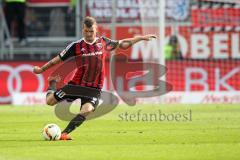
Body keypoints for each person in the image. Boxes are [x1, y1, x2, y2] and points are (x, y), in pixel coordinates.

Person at [33, 16, 156, 140]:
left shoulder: (103, 42)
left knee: (87, 110)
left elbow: (122, 44)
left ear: (96, 29)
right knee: (49, 101)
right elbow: (58, 58)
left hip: (94, 89)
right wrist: (42, 69)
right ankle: (53, 83)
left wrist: (140, 38)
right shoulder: (76, 46)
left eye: (91, 31)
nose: (89, 34)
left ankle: (64, 134)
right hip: (76, 85)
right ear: (83, 30)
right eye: (86, 31)